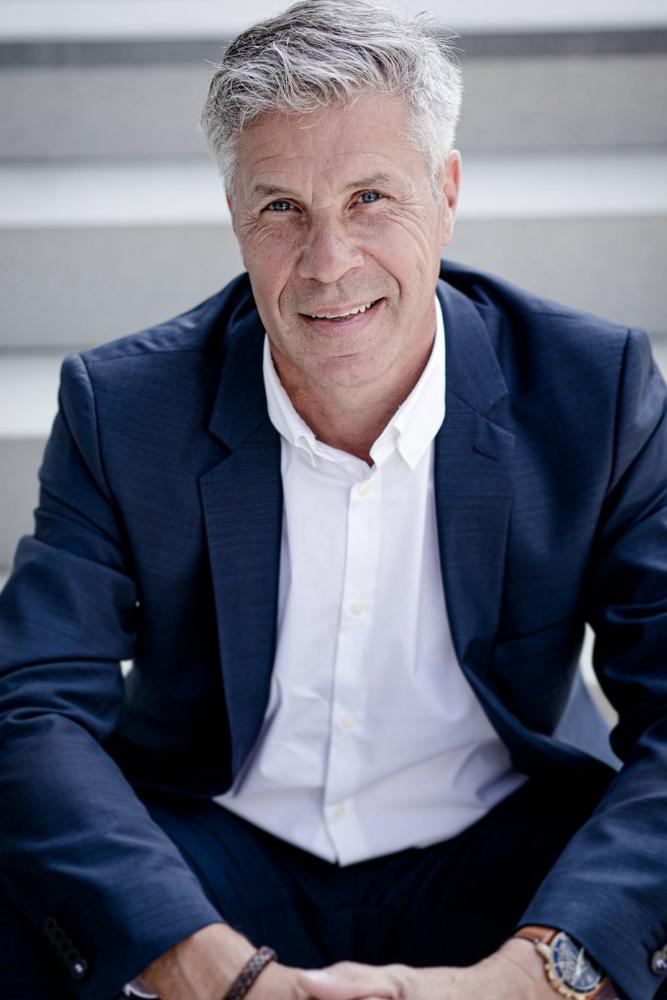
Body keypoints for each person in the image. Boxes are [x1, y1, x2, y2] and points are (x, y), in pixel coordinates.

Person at [1, 1, 666, 998]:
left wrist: (536, 974)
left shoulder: (592, 390)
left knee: (638, 923)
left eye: (369, 198)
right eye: (282, 208)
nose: (328, 263)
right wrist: (204, 965)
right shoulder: (124, 407)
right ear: (235, 214)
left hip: (500, 840)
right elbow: (31, 703)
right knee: (42, 894)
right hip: (218, 845)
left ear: (445, 193)